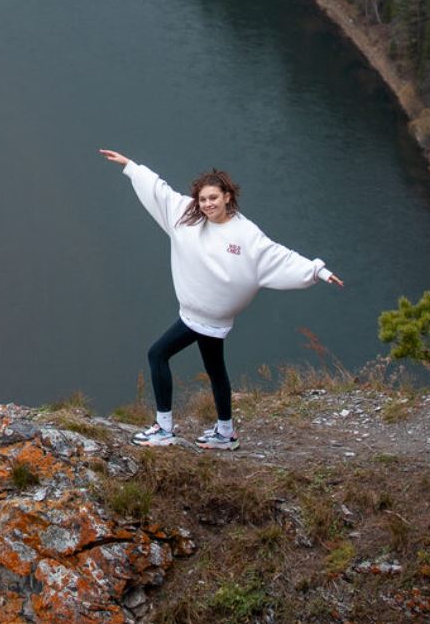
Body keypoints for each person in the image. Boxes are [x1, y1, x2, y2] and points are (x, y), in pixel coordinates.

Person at [99, 149, 344, 450]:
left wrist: (317, 270)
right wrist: (131, 167)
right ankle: (226, 432)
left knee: (157, 355)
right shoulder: (187, 217)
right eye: (202, 199)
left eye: (213, 198)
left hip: (205, 315)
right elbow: (161, 192)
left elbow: (277, 255)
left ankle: (164, 428)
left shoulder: (245, 233)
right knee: (215, 369)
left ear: (227, 196)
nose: (207, 204)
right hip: (204, 316)